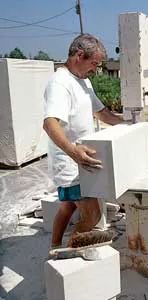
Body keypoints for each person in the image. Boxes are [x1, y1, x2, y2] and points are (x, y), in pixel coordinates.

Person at [43, 34, 122, 248]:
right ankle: (67, 252)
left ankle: (55, 246)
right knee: (92, 216)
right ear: (79, 55)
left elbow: (102, 113)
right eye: (94, 63)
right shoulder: (60, 83)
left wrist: (128, 125)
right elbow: (50, 124)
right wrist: (74, 152)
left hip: (81, 161)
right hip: (71, 163)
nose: (96, 69)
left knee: (68, 207)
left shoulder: (83, 81)